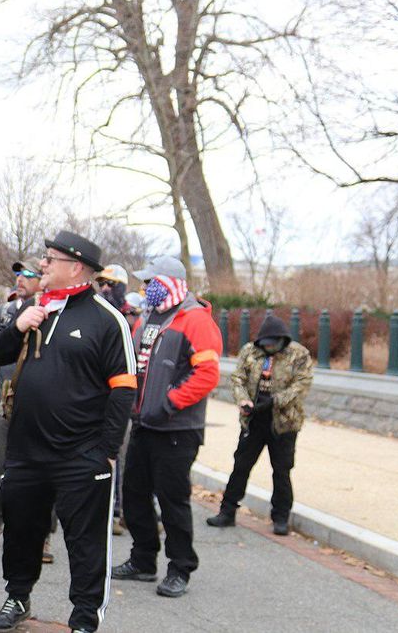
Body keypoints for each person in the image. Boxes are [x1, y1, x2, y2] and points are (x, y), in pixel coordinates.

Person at [0, 232, 137, 633]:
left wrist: (105, 451)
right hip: (27, 452)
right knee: (21, 533)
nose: (43, 266)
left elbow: (124, 392)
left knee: (85, 544)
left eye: (50, 259)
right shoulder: (34, 308)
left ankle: (84, 619)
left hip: (81, 456)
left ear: (76, 267)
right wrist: (18, 325)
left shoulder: (107, 319)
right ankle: (18, 597)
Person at [112, 255, 223, 598]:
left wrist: (171, 402)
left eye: (150, 282)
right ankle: (143, 560)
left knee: (173, 500)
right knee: (133, 494)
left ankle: (180, 567)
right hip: (144, 423)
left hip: (177, 428)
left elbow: (207, 373)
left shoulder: (195, 320)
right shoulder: (148, 318)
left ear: (168, 283)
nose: (144, 288)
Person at [208, 315, 313, 536]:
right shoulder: (250, 351)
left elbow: (302, 384)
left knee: (282, 470)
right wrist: (243, 400)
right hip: (253, 420)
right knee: (241, 466)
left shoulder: (298, 354)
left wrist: (276, 401)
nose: (269, 348)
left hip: (284, 423)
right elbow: (238, 378)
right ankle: (227, 512)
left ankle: (280, 517)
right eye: (265, 344)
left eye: (273, 344)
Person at [0, 259, 43, 550]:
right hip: (7, 401)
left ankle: (43, 535)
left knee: (40, 468)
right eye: (18, 274)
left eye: (29, 274)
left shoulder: (52, 314)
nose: (21, 278)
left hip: (39, 404)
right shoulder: (3, 313)